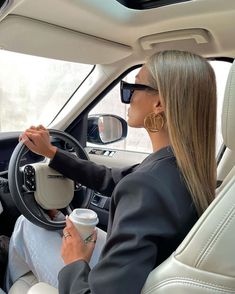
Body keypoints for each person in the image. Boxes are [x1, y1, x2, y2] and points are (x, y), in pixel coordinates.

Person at [8, 50, 217, 294]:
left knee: (26, 224)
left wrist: (76, 261)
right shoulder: (182, 167)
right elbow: (111, 180)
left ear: (159, 103)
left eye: (133, 87)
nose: (126, 97)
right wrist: (53, 153)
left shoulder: (148, 186)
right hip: (139, 274)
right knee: (44, 223)